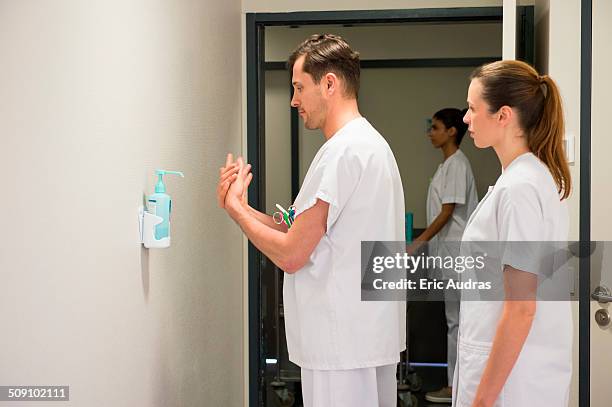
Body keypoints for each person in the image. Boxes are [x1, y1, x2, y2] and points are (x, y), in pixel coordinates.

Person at [217, 34, 406, 407]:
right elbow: (299, 231)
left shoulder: (342, 152)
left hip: (342, 347)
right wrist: (237, 204)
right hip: (363, 339)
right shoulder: (370, 145)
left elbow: (292, 253)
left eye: (299, 87)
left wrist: (236, 211)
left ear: (330, 84)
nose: (294, 101)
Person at [453, 60, 572, 407]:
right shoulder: (525, 180)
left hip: (511, 388)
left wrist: (483, 400)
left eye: (473, 109)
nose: (466, 118)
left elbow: (521, 308)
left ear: (503, 115)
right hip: (521, 376)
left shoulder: (520, 188)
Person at [415, 108, 478, 404]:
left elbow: (448, 211)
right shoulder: (447, 166)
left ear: (452, 131)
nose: (430, 133)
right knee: (455, 321)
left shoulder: (457, 165)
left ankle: (456, 389)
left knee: (457, 323)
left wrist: (419, 241)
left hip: (457, 254)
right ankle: (457, 386)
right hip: (449, 254)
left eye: (435, 127)